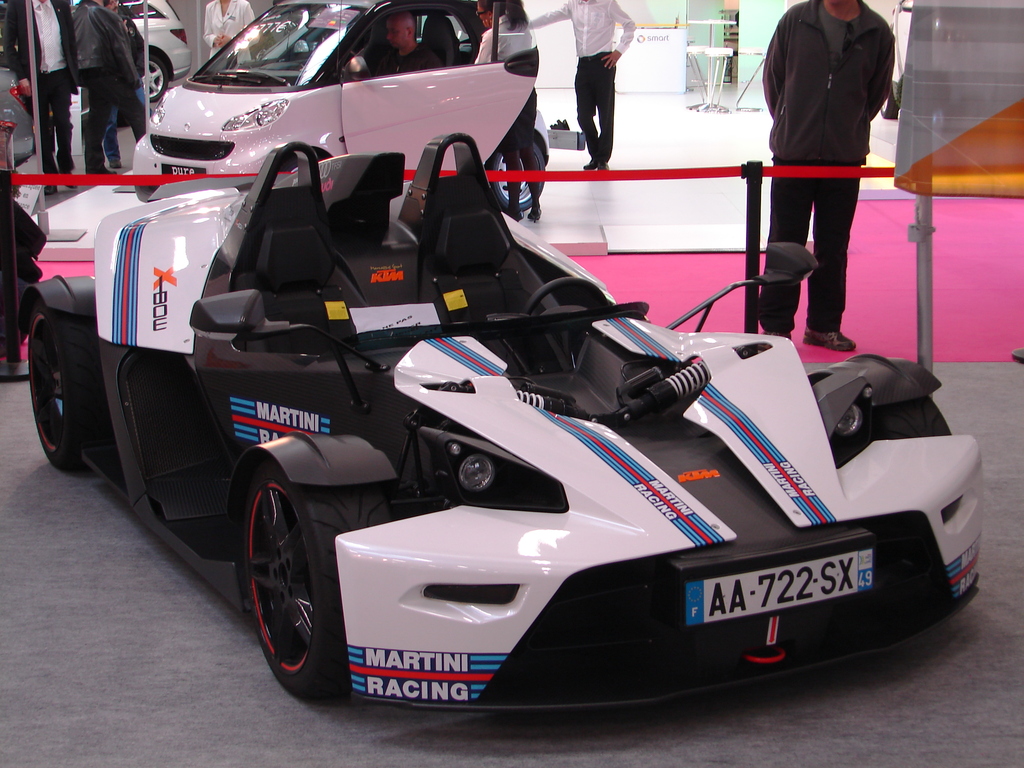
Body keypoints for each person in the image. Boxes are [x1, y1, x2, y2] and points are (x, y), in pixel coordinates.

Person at [759, 0, 894, 352]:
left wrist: (848, 127)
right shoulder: (796, 20)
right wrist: (790, 121)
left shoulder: (877, 31)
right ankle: (775, 326)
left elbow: (876, 93)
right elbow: (774, 79)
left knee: (833, 246)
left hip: (844, 156)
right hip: (794, 152)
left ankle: (823, 325)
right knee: (785, 242)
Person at [531, 0, 634, 171]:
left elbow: (629, 24)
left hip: (604, 63)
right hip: (584, 65)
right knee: (583, 116)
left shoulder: (607, 3)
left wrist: (619, 51)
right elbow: (550, 17)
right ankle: (596, 154)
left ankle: (601, 159)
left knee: (605, 115)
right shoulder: (573, 5)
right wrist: (525, 25)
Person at [4, 0, 80, 195]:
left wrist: (74, 70)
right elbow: (9, 45)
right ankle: (50, 175)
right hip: (34, 78)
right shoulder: (18, 6)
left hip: (61, 73)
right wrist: (22, 76)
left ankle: (66, 167)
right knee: (41, 127)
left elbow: (71, 40)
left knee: (63, 122)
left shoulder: (61, 4)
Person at [475, 0, 542, 221]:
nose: (480, 19)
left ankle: (513, 209)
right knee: (526, 149)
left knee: (511, 153)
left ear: (491, 12)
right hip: (527, 95)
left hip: (505, 98)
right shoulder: (524, 27)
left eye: (480, 13)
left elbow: (479, 69)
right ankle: (535, 205)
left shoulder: (492, 36)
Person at [73, 0, 147, 176]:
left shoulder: (77, 14)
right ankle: (148, 163)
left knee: (97, 118)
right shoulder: (105, 15)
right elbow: (120, 50)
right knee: (137, 114)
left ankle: (94, 165)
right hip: (109, 72)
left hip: (88, 74)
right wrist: (132, 78)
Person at [0, 190, 45, 355]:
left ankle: (6, 338)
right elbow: (37, 239)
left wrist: (18, 253)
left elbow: (37, 238)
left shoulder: (5, 205)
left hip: (17, 277)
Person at [102, 0, 145, 170]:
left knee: (141, 115)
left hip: (132, 76)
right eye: (110, 1)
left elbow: (140, 47)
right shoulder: (100, 23)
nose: (114, 3)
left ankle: (144, 154)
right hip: (111, 79)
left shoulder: (127, 22)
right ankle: (113, 156)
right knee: (109, 120)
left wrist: (138, 69)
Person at [374, 11, 441, 76]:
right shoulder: (388, 60)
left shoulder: (429, 62)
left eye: (394, 32)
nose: (388, 36)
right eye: (388, 31)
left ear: (409, 32)